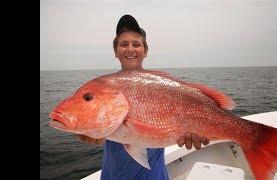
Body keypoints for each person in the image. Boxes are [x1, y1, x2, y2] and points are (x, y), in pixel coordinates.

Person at [78, 14, 209, 180]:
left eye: (136, 44)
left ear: (145, 51)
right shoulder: (105, 88)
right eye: (123, 44)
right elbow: (107, 129)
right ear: (116, 51)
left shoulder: (159, 86)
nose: (130, 49)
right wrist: (91, 133)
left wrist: (192, 133)